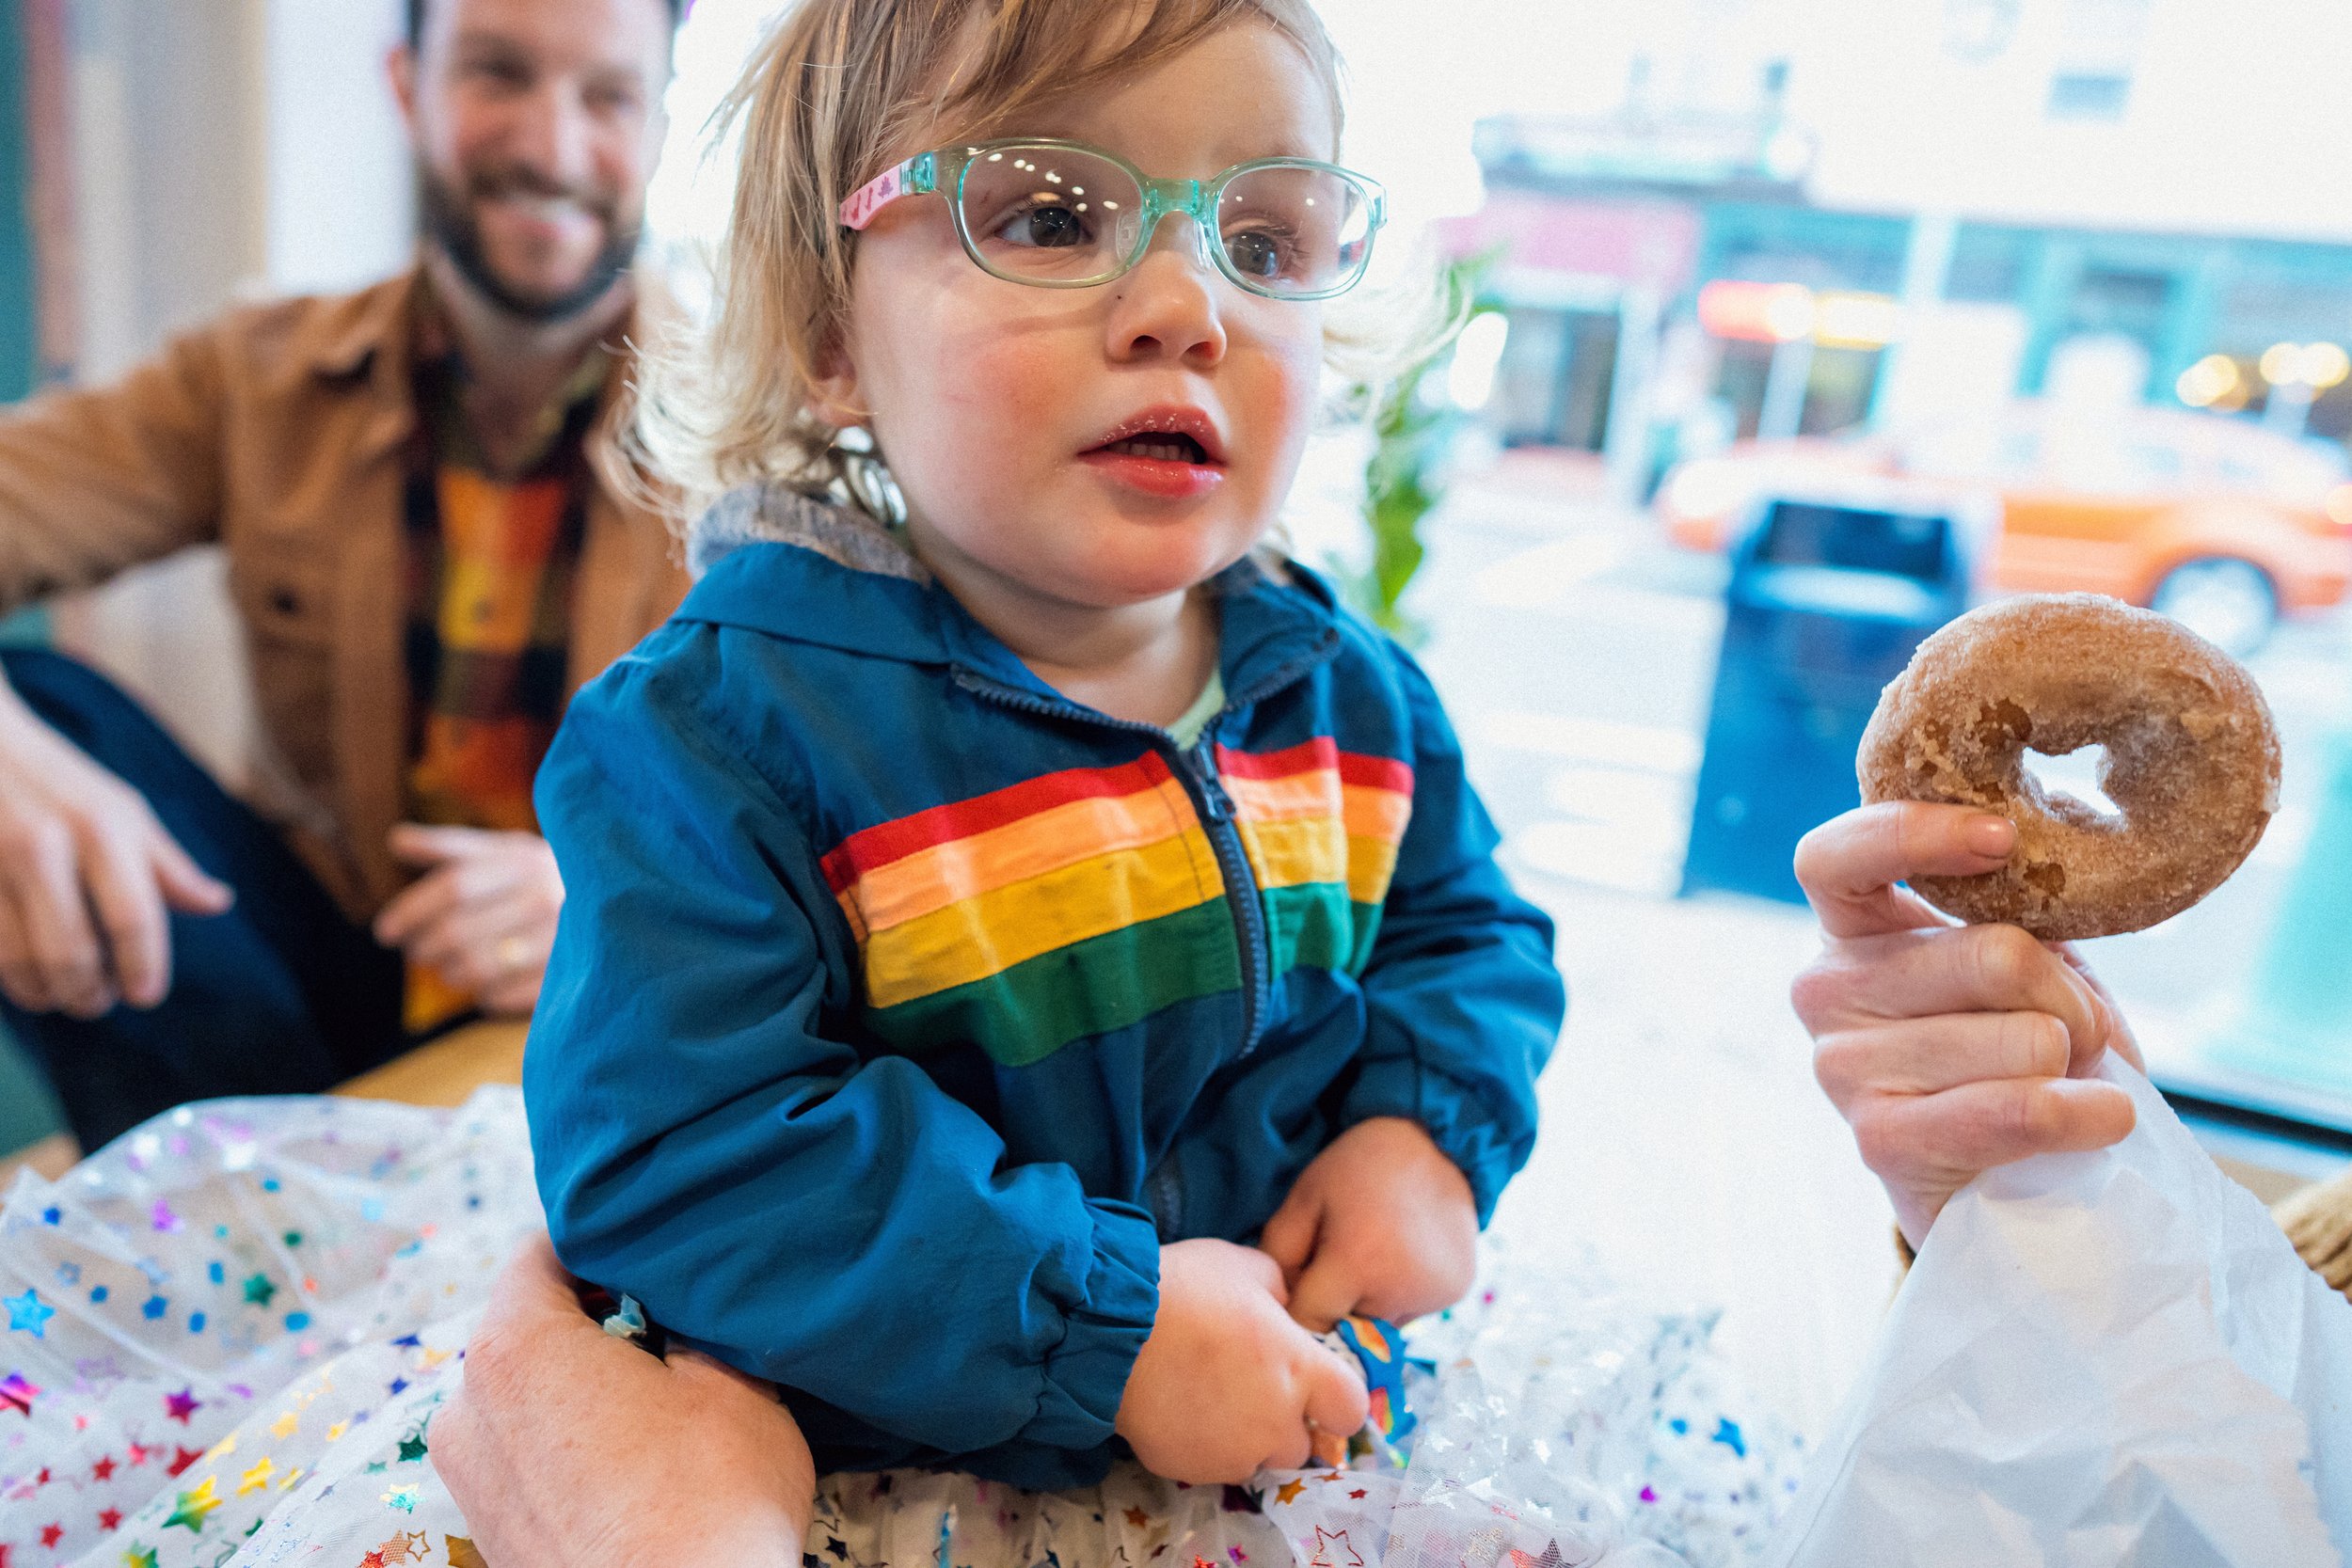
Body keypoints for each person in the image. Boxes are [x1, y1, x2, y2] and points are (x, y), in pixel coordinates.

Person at [523, 0, 1565, 1500]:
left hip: (1295, 1451)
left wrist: (1427, 1125)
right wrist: (1111, 1326)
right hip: (893, 1487)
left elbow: (1468, 932)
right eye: (1050, 214)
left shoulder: (1353, 700)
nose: (1185, 306)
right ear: (831, 335)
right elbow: (685, 1147)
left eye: (1264, 242)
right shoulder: (724, 730)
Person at [0, 0, 692, 1150]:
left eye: (607, 96)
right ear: (405, 87)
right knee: (47, 706)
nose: (552, 146)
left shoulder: (770, 428)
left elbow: (880, 807)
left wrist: (619, 908)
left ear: (663, 123)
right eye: (497, 74)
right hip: (310, 1000)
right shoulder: (248, 379)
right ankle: (212, 1216)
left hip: (628, 1011)